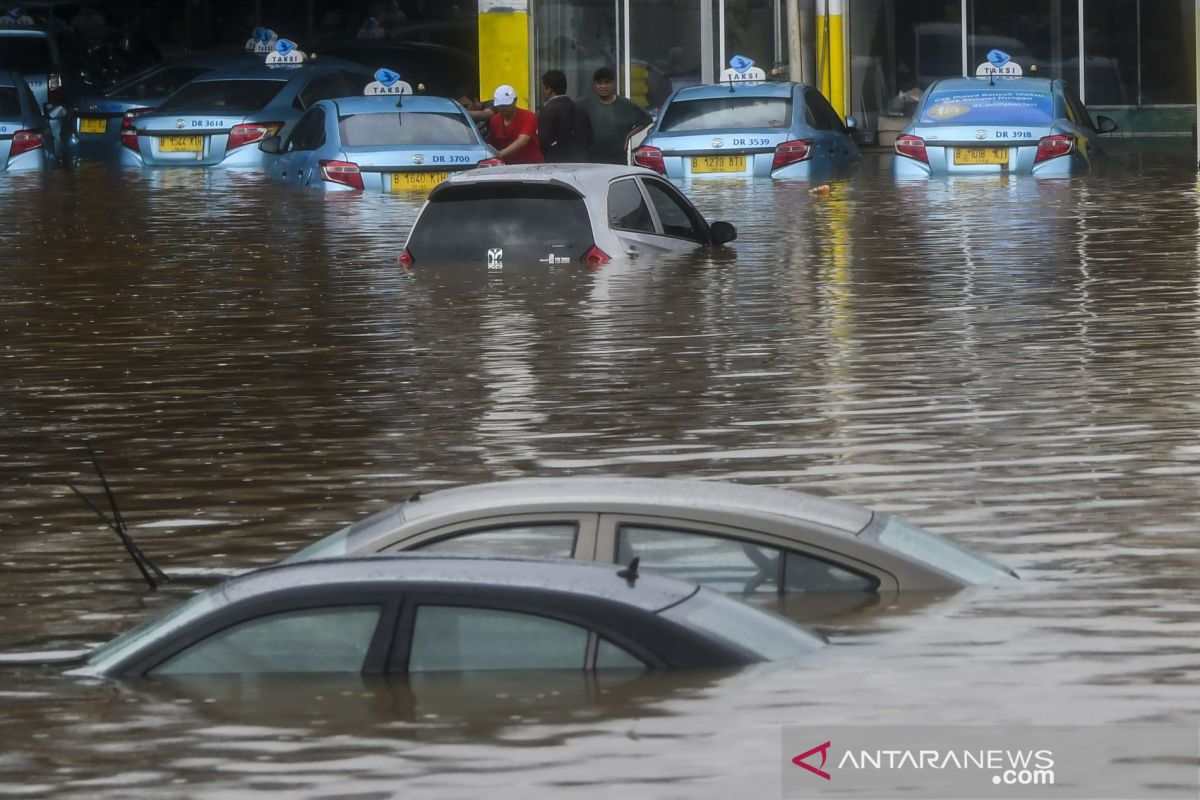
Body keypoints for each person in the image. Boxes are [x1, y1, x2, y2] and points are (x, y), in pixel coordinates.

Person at [576, 66, 653, 165]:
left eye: (607, 82)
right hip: (592, 159)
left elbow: (647, 120)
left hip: (617, 159)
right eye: (600, 83)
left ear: (613, 84)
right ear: (594, 85)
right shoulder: (585, 103)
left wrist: (628, 135)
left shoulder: (625, 105)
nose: (603, 86)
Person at [536, 69, 592, 163]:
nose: (542, 92)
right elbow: (590, 138)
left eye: (542, 88)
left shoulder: (547, 111)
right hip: (581, 163)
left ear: (549, 90)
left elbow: (543, 141)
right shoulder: (581, 109)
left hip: (557, 165)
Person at [485, 85, 544, 164]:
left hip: (531, 165)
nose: (503, 108)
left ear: (515, 100)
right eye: (500, 106)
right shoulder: (494, 121)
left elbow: (523, 140)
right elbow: (492, 143)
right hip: (507, 167)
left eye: (507, 105)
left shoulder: (529, 116)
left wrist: (500, 154)